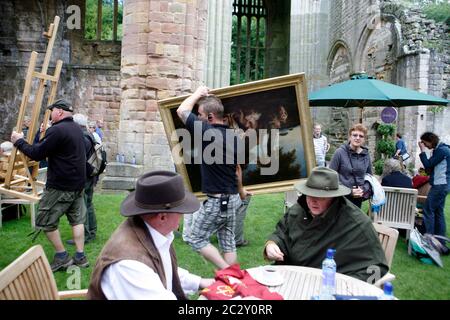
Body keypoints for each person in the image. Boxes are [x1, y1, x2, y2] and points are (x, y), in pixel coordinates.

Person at [87, 170, 214, 299]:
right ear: (163, 217)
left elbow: (163, 270)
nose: (183, 214)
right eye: (180, 210)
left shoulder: (152, 230)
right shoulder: (130, 266)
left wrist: (200, 282)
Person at [264, 167, 388, 282]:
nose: (313, 201)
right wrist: (272, 244)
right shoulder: (299, 209)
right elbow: (281, 232)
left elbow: (378, 268)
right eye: (309, 194)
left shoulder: (356, 223)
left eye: (320, 197)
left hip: (324, 284)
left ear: (334, 196)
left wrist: (345, 285)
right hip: (286, 276)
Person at [10, 99, 88, 272]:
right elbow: (47, 149)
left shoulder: (58, 130)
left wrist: (18, 141)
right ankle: (80, 256)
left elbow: (36, 154)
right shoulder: (75, 128)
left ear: (59, 112)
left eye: (52, 111)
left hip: (60, 186)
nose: (50, 114)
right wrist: (42, 134)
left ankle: (62, 257)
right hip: (77, 185)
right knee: (77, 221)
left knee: (45, 221)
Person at [176, 86, 241, 269]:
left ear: (210, 117)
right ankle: (231, 285)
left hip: (218, 201)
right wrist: (242, 192)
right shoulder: (234, 137)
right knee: (228, 243)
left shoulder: (206, 131)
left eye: (200, 114)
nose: (198, 117)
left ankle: (228, 273)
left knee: (193, 237)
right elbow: (237, 169)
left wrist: (198, 93)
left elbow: (181, 110)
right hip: (233, 198)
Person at [66, 114, 97, 245]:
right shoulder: (88, 134)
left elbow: (80, 159)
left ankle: (86, 235)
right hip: (90, 175)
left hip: (85, 176)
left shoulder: (83, 137)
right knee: (88, 204)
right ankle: (92, 231)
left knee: (83, 207)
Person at [418, 132, 450, 252]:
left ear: (431, 140)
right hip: (442, 185)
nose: (425, 146)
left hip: (440, 185)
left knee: (428, 210)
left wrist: (422, 151)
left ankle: (430, 241)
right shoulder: (440, 150)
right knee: (438, 212)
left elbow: (428, 164)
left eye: (425, 143)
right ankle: (440, 243)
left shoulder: (442, 150)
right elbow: (428, 168)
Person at [329, 123, 372, 208]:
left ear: (364, 139)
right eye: (355, 135)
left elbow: (369, 176)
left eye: (361, 136)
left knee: (354, 220)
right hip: (341, 196)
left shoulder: (366, 155)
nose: (357, 138)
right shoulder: (340, 152)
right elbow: (330, 176)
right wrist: (349, 191)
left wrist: (363, 189)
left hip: (358, 198)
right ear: (350, 137)